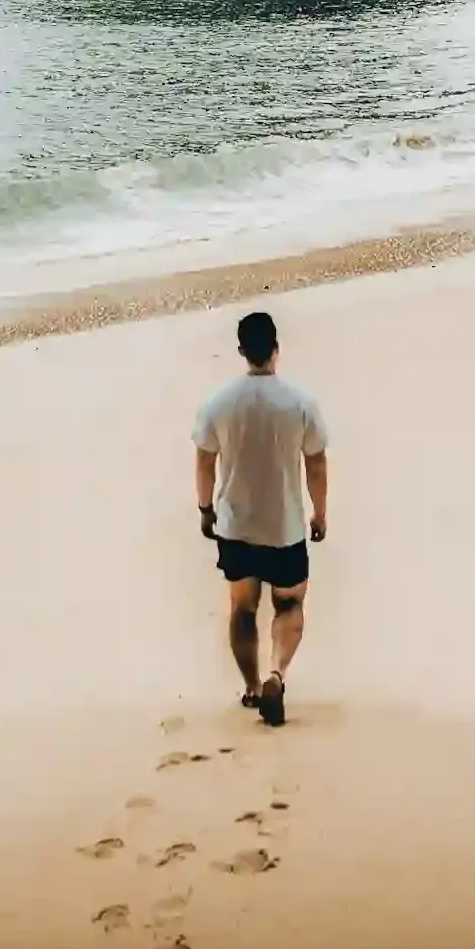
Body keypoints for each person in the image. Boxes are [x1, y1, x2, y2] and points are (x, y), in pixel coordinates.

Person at [192, 308, 328, 726]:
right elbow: (316, 463)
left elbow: (204, 463)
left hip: (236, 525)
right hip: (284, 525)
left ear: (240, 350)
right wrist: (320, 512)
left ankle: (251, 686)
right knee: (288, 604)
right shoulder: (300, 403)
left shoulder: (218, 403)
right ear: (276, 349)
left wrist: (205, 509)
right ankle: (276, 674)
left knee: (243, 609)